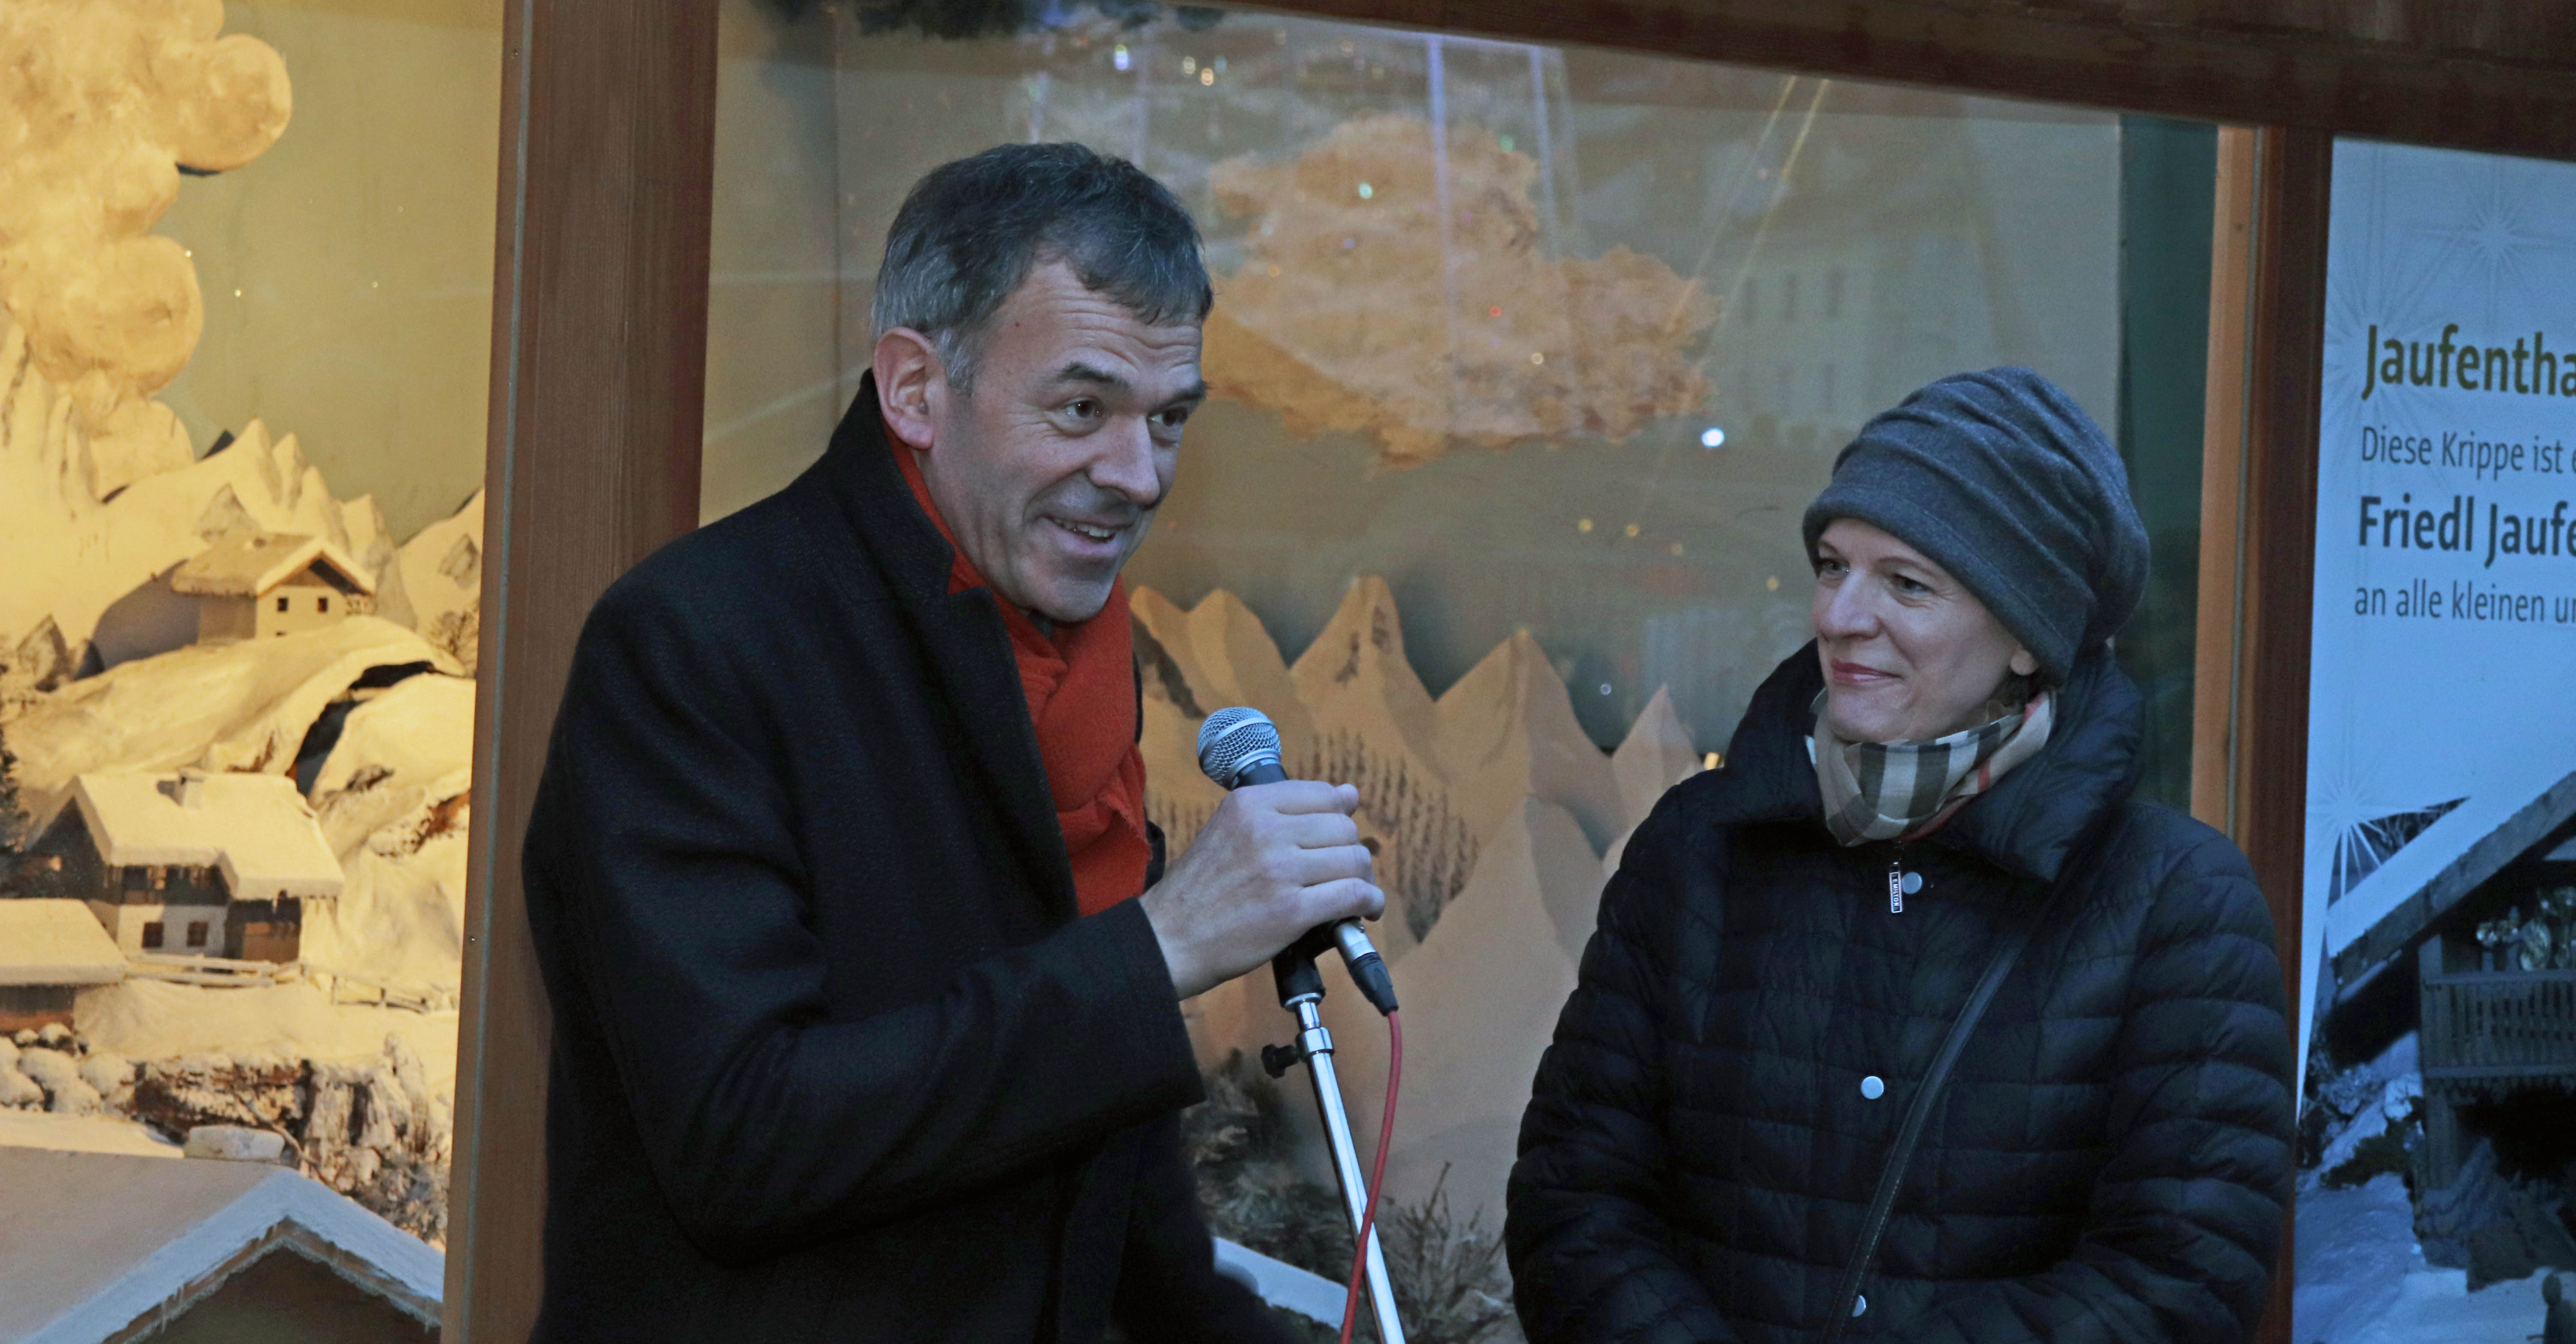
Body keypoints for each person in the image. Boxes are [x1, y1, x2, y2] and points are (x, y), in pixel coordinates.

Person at [520, 143, 1384, 1342]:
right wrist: (1160, 946)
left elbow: (1104, 1170)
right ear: (916, 390)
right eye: (1082, 408)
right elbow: (741, 1143)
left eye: (1169, 420)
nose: (1135, 476)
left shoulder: (1073, 672)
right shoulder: (697, 644)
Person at [1507, 368, 2296, 1343]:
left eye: (1907, 582)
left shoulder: (2172, 898)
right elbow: (1575, 1198)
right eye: (1834, 564)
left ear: (2025, 636)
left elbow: (2181, 1278)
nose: (1840, 615)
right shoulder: (1699, 846)